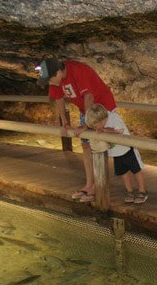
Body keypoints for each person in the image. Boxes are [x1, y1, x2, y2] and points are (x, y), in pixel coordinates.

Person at [37, 58, 118, 203]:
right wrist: (65, 122)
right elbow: (58, 99)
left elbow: (89, 96)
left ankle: (98, 187)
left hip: (102, 109)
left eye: (49, 80)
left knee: (99, 146)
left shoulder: (78, 70)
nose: (49, 83)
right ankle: (89, 184)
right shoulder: (56, 81)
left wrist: (87, 124)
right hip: (86, 111)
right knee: (86, 145)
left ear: (58, 72)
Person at [77, 103, 148, 204]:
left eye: (95, 126)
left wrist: (104, 130)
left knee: (136, 170)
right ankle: (129, 191)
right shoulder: (101, 122)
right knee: (123, 172)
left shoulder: (113, 117)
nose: (95, 128)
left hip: (127, 149)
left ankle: (142, 191)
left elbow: (120, 131)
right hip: (116, 152)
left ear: (102, 120)